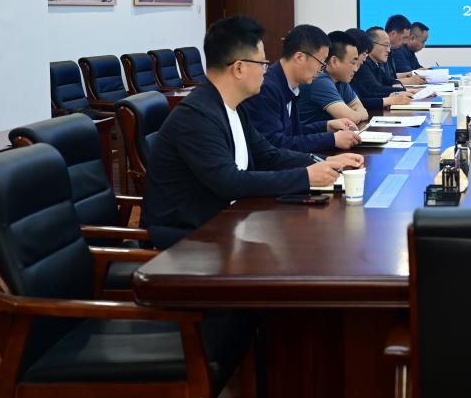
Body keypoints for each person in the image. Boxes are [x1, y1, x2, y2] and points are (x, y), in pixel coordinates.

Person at [140, 15, 363, 249]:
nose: (266, 71)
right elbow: (229, 181)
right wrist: (306, 176)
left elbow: (269, 154)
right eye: (262, 64)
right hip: (187, 240)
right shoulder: (196, 116)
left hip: (226, 221)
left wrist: (324, 162)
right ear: (239, 68)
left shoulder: (233, 107)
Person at [242, 24, 362, 153]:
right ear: (299, 57)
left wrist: (327, 126)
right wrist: (332, 140)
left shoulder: (288, 84)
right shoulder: (267, 88)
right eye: (321, 63)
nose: (321, 70)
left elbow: (294, 132)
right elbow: (276, 144)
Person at [298, 30, 369, 126]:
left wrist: (356, 114)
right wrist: (357, 115)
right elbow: (351, 118)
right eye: (353, 62)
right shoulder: (320, 81)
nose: (356, 69)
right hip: (308, 135)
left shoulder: (341, 80)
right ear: (334, 61)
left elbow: (362, 110)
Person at [351, 27, 414, 110]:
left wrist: (396, 92)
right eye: (385, 45)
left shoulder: (376, 63)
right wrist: (394, 97)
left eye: (389, 46)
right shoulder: (363, 65)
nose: (389, 50)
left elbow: (389, 80)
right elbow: (373, 90)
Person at [385, 14, 425, 84]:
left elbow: (391, 76)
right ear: (393, 34)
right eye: (404, 38)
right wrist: (409, 80)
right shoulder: (394, 52)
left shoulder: (392, 51)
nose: (405, 42)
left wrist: (412, 73)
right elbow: (382, 82)